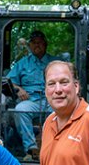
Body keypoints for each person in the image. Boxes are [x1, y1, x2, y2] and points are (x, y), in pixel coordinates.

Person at [6, 29, 56, 158]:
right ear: (29, 46)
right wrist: (19, 89)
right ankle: (32, 148)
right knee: (20, 109)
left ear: (45, 44)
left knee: (62, 111)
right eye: (33, 43)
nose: (36, 45)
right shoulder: (22, 63)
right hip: (31, 100)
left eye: (39, 42)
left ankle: (55, 147)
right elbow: (9, 81)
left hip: (53, 99)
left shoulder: (55, 62)